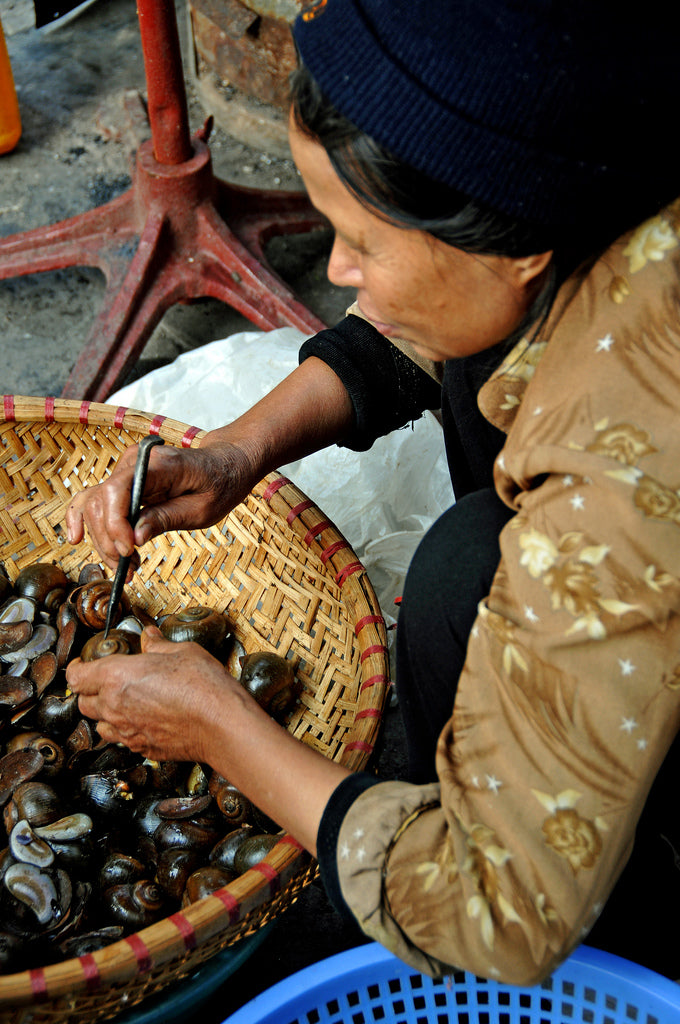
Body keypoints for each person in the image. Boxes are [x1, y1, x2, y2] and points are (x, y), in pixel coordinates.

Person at [65, 0, 680, 985]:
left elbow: (493, 912)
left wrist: (223, 730)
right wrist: (235, 452)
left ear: (517, 244)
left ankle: (636, 939)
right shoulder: (589, 157)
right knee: (459, 572)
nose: (337, 276)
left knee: (458, 585)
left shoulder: (625, 459)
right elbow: (424, 314)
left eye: (360, 240)